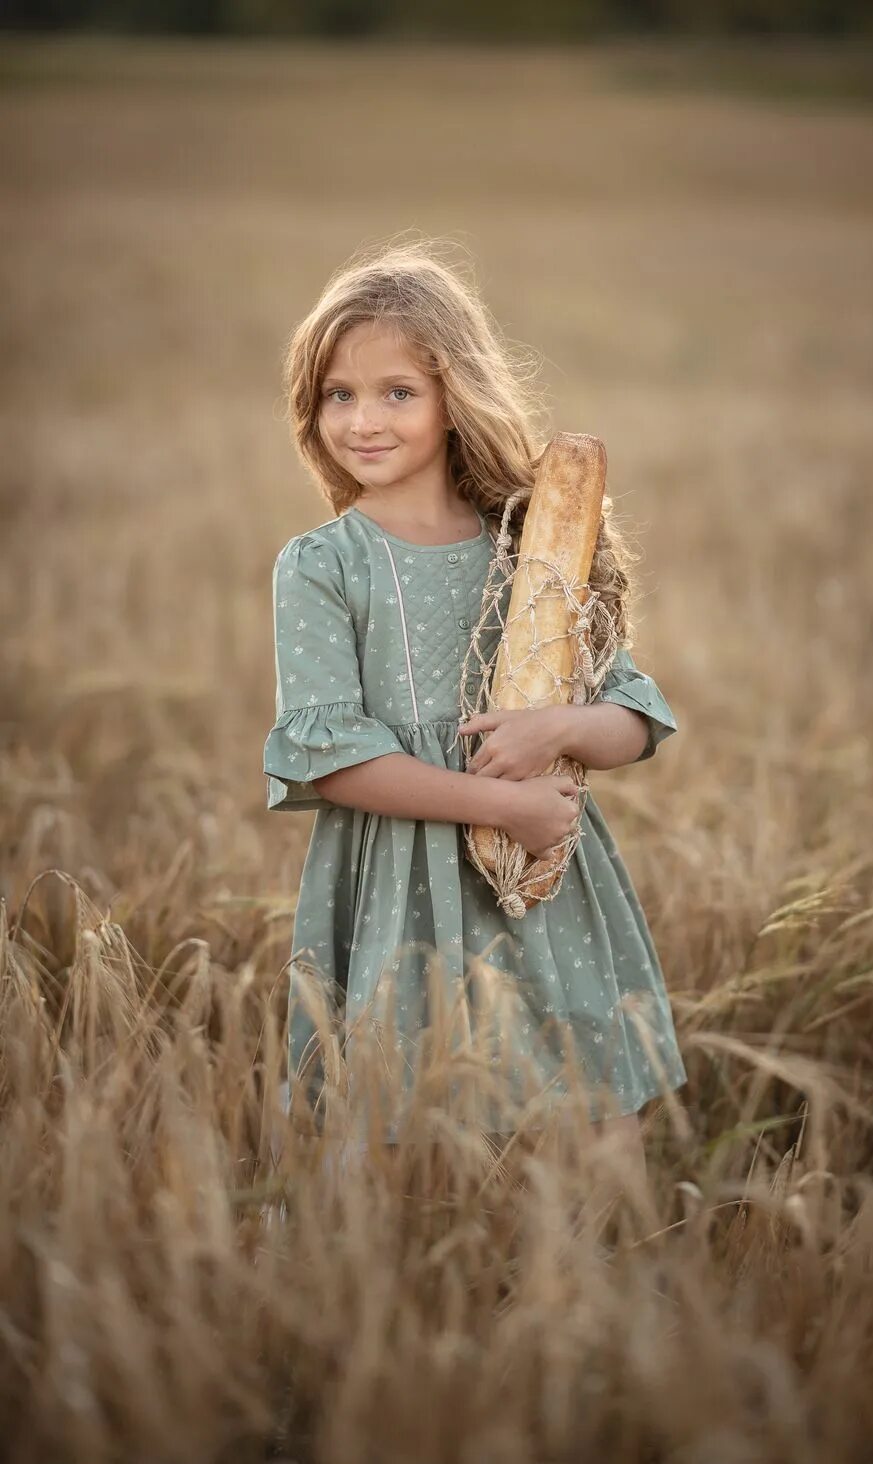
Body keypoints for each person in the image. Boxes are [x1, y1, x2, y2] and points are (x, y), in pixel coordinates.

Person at [263, 239, 687, 1190]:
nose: (363, 419)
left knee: (589, 1110)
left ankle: (590, 1300)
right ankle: (380, 1312)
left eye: (396, 392)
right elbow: (332, 759)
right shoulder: (322, 566)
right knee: (383, 1119)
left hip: (542, 882)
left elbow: (636, 718)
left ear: (457, 394)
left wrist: (561, 731)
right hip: (396, 879)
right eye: (338, 394)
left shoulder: (533, 549)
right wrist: (504, 805)